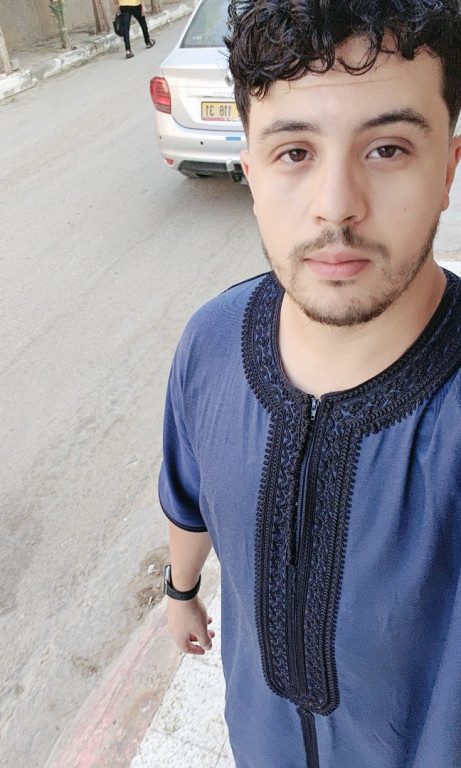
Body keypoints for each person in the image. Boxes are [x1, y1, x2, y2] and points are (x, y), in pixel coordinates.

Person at [159, 1, 461, 765]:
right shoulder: (210, 342)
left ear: (447, 169)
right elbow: (187, 494)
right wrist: (180, 591)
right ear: (251, 172)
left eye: (387, 148)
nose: (335, 207)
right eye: (294, 152)